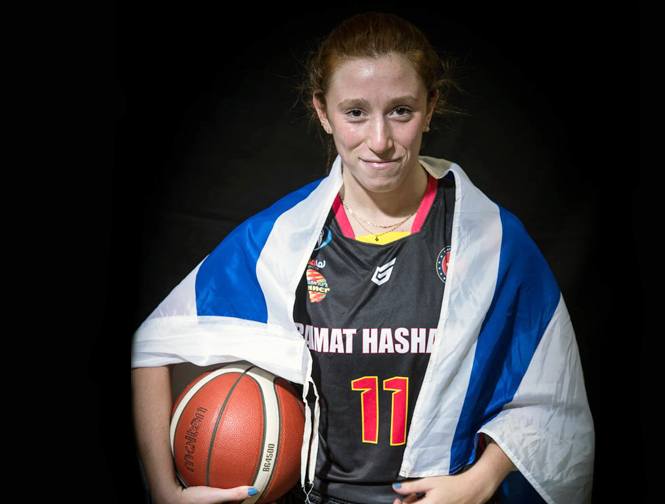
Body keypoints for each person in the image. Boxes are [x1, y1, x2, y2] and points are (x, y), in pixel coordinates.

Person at [131, 11, 594, 504]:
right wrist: (163, 491)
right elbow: (154, 346)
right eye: (355, 112)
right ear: (323, 113)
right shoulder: (281, 240)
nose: (379, 141)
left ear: (431, 106)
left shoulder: (492, 240)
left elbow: (548, 398)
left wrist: (477, 483)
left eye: (401, 110)